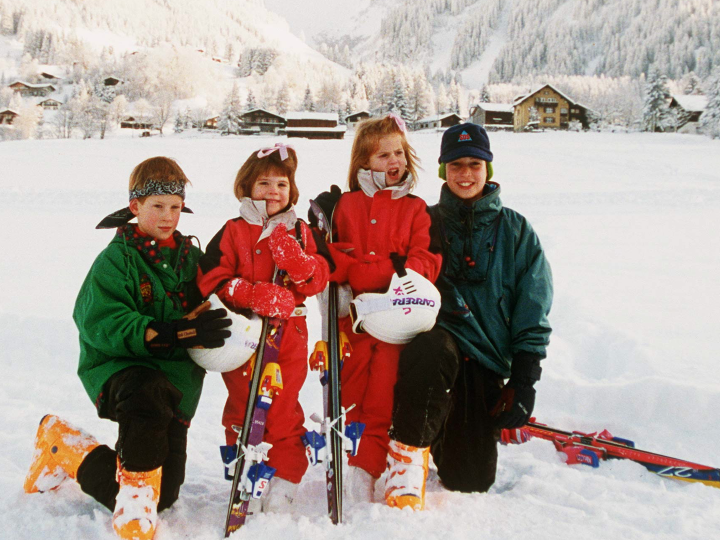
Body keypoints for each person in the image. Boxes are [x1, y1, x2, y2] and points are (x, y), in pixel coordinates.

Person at [23, 156, 233, 540]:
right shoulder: (116, 259)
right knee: (146, 393)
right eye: (157, 207)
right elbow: (97, 320)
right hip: (120, 369)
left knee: (165, 495)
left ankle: (63, 447)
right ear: (135, 207)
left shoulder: (190, 259)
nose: (168, 217)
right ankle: (133, 509)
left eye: (175, 207)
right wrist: (168, 331)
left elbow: (217, 293)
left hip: (177, 385)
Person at [388, 123, 553, 510]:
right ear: (445, 171)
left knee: (470, 480)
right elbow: (379, 249)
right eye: (456, 165)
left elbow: (533, 303)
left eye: (474, 164)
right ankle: (407, 454)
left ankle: (450, 430)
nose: (465, 173)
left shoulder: (516, 230)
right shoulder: (423, 221)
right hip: (432, 355)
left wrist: (525, 379)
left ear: (488, 169)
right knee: (432, 347)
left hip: (485, 362)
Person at [311, 114, 442, 508]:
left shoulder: (417, 209)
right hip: (349, 321)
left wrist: (366, 271)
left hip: (394, 317)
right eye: (382, 154)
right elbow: (330, 261)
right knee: (349, 390)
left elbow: (425, 264)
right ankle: (350, 461)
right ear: (363, 161)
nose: (393, 161)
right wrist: (375, 265)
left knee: (384, 392)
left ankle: (371, 466)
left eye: (398, 152)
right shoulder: (344, 207)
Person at [197, 143, 331, 512]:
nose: (273, 191)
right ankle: (247, 470)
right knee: (243, 403)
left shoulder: (300, 230)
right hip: (244, 334)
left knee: (282, 405)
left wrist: (302, 267)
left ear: (292, 191)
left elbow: (320, 275)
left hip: (289, 333)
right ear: (246, 187)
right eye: (264, 182)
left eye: (282, 184)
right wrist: (247, 292)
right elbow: (211, 276)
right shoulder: (233, 230)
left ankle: (286, 475)